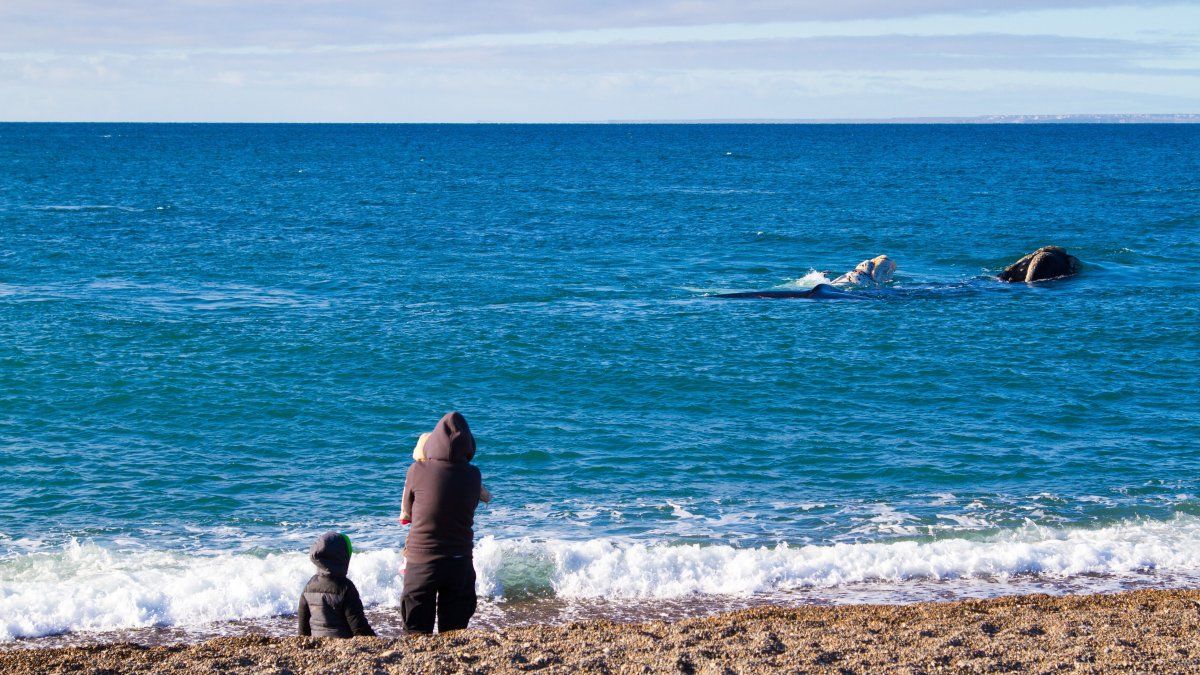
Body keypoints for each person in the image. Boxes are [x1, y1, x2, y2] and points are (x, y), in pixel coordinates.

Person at [399, 411, 485, 633]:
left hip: (422, 562)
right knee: (454, 635)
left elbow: (407, 514)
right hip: (460, 562)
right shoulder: (474, 475)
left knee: (416, 634)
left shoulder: (416, 470)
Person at [297, 531, 376, 638]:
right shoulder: (346, 587)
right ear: (341, 557)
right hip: (343, 643)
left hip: (317, 643)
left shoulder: (309, 585)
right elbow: (359, 629)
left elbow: (303, 630)